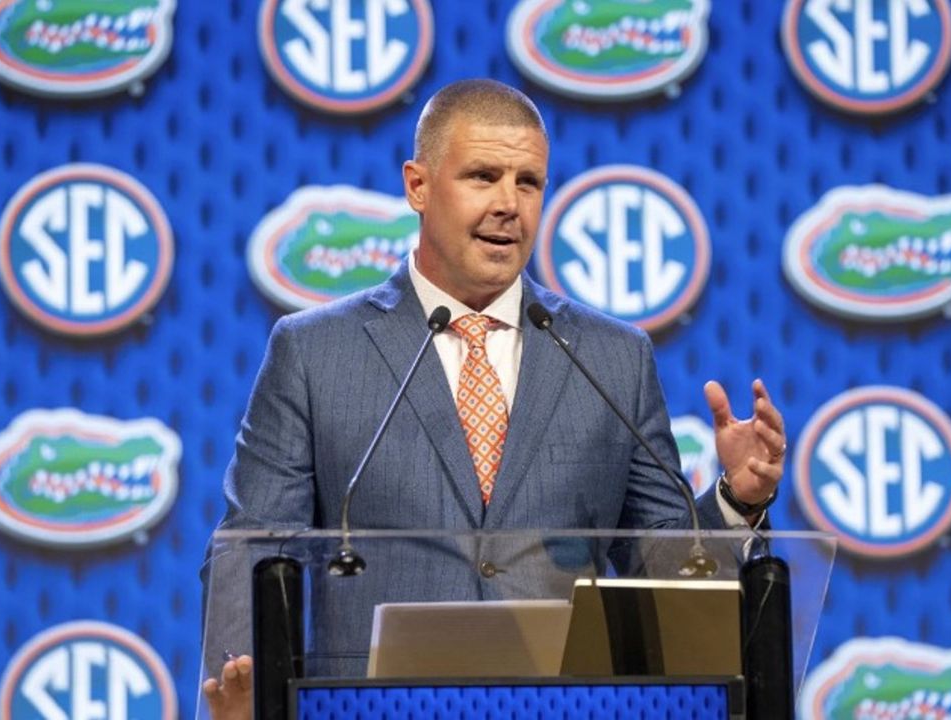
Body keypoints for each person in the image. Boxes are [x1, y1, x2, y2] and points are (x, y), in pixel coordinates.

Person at [202, 79, 786, 718]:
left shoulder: (611, 357)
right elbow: (252, 553)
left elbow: (663, 566)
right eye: (483, 177)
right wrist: (240, 693)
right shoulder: (315, 351)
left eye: (529, 182)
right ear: (418, 186)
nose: (510, 204)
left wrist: (737, 501)